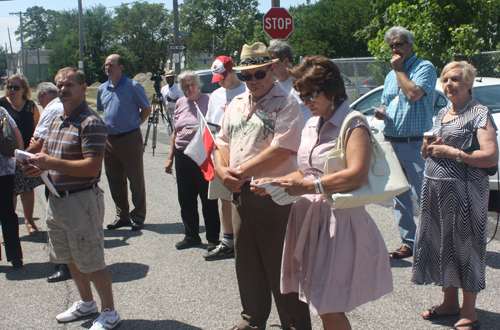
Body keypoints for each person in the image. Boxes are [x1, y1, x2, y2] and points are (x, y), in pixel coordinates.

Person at [254, 55, 393, 330]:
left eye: (311, 95)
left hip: (338, 222)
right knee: (319, 301)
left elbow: (357, 174)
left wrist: (308, 186)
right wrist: (277, 181)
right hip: (310, 219)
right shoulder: (311, 124)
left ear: (332, 90)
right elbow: (306, 171)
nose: (306, 102)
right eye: (302, 96)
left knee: (327, 303)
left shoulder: (353, 123)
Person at [214, 42, 311, 330]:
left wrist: (238, 172)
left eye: (259, 74)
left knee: (282, 266)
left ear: (272, 69)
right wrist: (222, 171)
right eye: (246, 76)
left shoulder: (287, 102)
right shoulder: (236, 103)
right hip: (241, 194)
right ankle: (252, 319)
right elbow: (221, 142)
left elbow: (282, 149)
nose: (253, 81)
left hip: (274, 196)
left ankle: (294, 324)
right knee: (247, 261)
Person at [22, 67, 120, 330]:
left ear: (82, 87)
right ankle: (87, 303)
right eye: (59, 85)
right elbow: (50, 159)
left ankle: (110, 312)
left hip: (81, 201)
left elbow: (91, 168)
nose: (63, 89)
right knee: (69, 257)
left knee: (92, 260)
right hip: (56, 199)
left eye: (69, 85)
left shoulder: (91, 122)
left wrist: (49, 161)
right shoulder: (55, 119)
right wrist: (37, 167)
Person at [412, 61, 498, 330]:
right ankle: (450, 302)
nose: (449, 84)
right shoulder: (442, 113)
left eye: (456, 79)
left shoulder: (479, 113)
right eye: (445, 80)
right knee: (441, 246)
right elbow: (433, 148)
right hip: (436, 190)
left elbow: (490, 156)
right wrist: (428, 150)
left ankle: (469, 311)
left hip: (465, 193)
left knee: (466, 248)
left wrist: (454, 153)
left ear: (469, 83)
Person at [375, 26, 437, 259]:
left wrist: (399, 69)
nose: (395, 49)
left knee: (425, 195)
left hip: (415, 144)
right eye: (392, 46)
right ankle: (409, 242)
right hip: (392, 140)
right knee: (400, 196)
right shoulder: (391, 75)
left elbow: (413, 94)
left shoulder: (424, 67)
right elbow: (386, 102)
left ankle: (433, 244)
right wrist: (381, 111)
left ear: (410, 45)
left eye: (399, 44)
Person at [165, 70, 221, 250]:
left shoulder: (209, 100)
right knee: (186, 198)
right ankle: (191, 235)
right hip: (183, 155)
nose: (190, 88)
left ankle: (213, 237)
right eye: (185, 86)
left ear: (198, 84)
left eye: (192, 84)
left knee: (208, 198)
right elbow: (176, 132)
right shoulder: (180, 102)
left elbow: (216, 127)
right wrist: (170, 158)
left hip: (202, 154)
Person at [98, 54, 151, 231]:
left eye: (111, 64)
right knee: (115, 180)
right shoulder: (102, 89)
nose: (108, 67)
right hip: (109, 141)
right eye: (106, 65)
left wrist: (135, 125)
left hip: (129, 139)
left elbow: (146, 109)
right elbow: (103, 111)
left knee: (135, 180)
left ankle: (138, 216)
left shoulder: (133, 86)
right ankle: (122, 216)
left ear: (121, 67)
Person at [26, 82, 71, 283]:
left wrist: (23, 156)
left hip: (54, 172)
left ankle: (64, 265)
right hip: (69, 172)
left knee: (59, 219)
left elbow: (40, 141)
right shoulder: (70, 107)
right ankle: (71, 263)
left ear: (43, 96)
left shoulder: (52, 108)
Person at [203, 55, 246, 261]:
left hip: (245, 152)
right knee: (225, 199)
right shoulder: (216, 96)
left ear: (233, 71)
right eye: (217, 78)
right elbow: (212, 129)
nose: (221, 81)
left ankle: (246, 240)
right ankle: (228, 241)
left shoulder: (247, 90)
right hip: (223, 154)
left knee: (248, 199)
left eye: (223, 76)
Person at [0, 74, 42, 236]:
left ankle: (29, 221)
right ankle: (9, 229)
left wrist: (34, 148)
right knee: (9, 191)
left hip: (26, 154)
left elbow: (37, 128)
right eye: (10, 86)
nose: (12, 90)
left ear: (24, 89)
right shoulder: (2, 104)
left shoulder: (31, 106)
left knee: (27, 189)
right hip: (6, 157)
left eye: (16, 87)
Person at [0, 106, 24, 268]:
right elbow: (16, 136)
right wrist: (20, 157)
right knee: (8, 212)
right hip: (5, 169)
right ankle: (15, 256)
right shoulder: (1, 111)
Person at [267, 41, 312, 124]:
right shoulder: (272, 89)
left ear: (286, 62)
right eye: (268, 62)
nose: (270, 66)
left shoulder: (303, 84)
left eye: (273, 62)